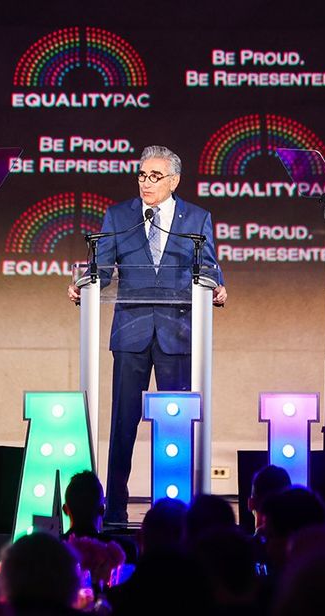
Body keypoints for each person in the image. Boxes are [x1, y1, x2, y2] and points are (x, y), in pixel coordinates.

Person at [68, 145, 227, 525]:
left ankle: (176, 511)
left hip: (177, 332)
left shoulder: (198, 217)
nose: (146, 182)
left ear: (173, 180)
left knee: (175, 423)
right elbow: (102, 267)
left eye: (155, 176)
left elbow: (208, 267)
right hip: (130, 333)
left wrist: (218, 286)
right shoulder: (119, 216)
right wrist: (84, 283)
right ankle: (115, 510)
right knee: (122, 425)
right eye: (142, 175)